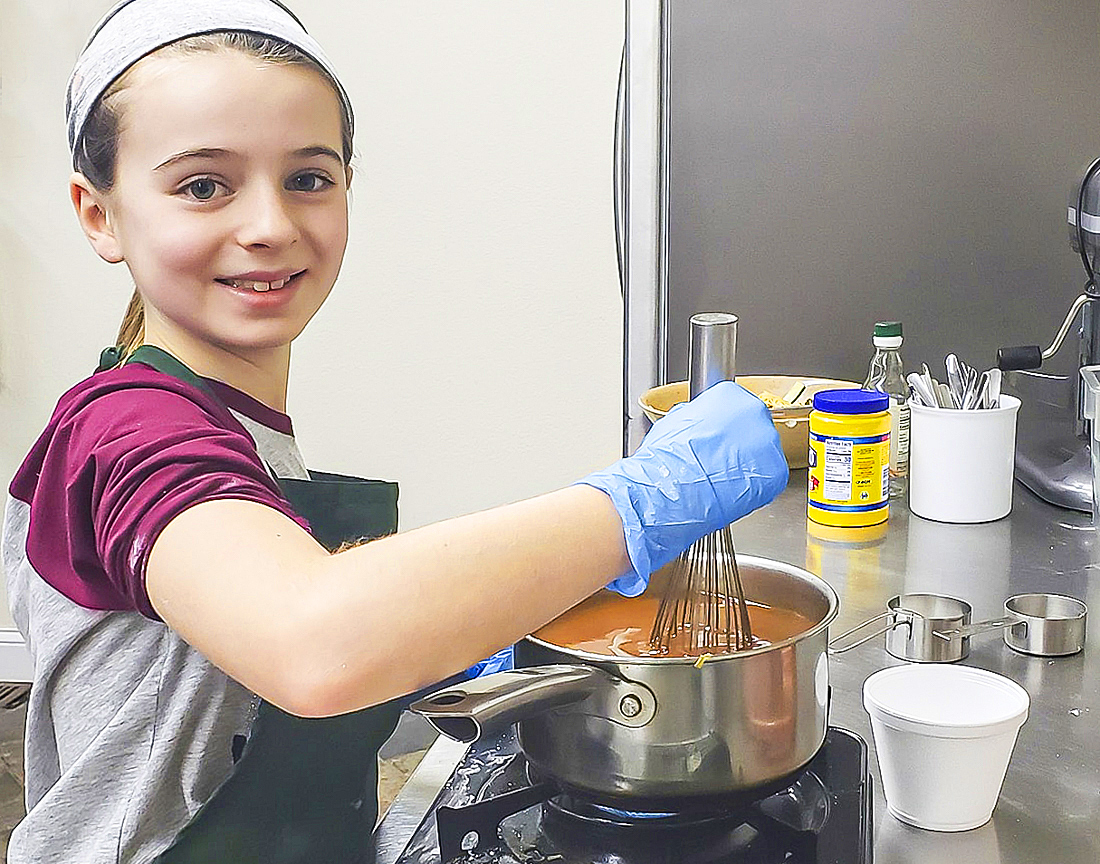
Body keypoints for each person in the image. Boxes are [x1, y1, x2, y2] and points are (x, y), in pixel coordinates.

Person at [0, 1, 789, 861]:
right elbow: (309, 639)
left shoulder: (231, 426)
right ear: (99, 214)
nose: (270, 226)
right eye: (203, 186)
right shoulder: (125, 430)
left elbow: (259, 668)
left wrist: (443, 646)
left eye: (308, 178)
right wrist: (646, 500)